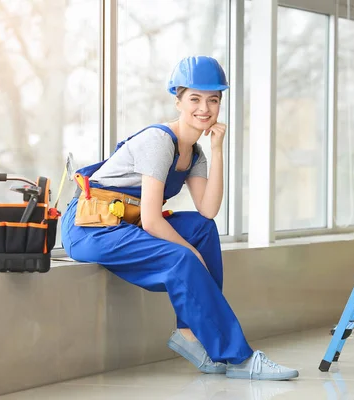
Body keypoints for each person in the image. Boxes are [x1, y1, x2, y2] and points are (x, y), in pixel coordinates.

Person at [60, 55, 298, 381]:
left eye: (213, 100)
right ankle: (239, 358)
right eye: (195, 99)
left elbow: (208, 210)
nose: (205, 108)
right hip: (90, 227)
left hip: (125, 221)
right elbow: (153, 219)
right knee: (182, 257)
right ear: (178, 101)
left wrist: (217, 150)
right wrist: (192, 254)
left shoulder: (195, 152)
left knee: (202, 229)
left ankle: (191, 334)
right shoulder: (160, 142)